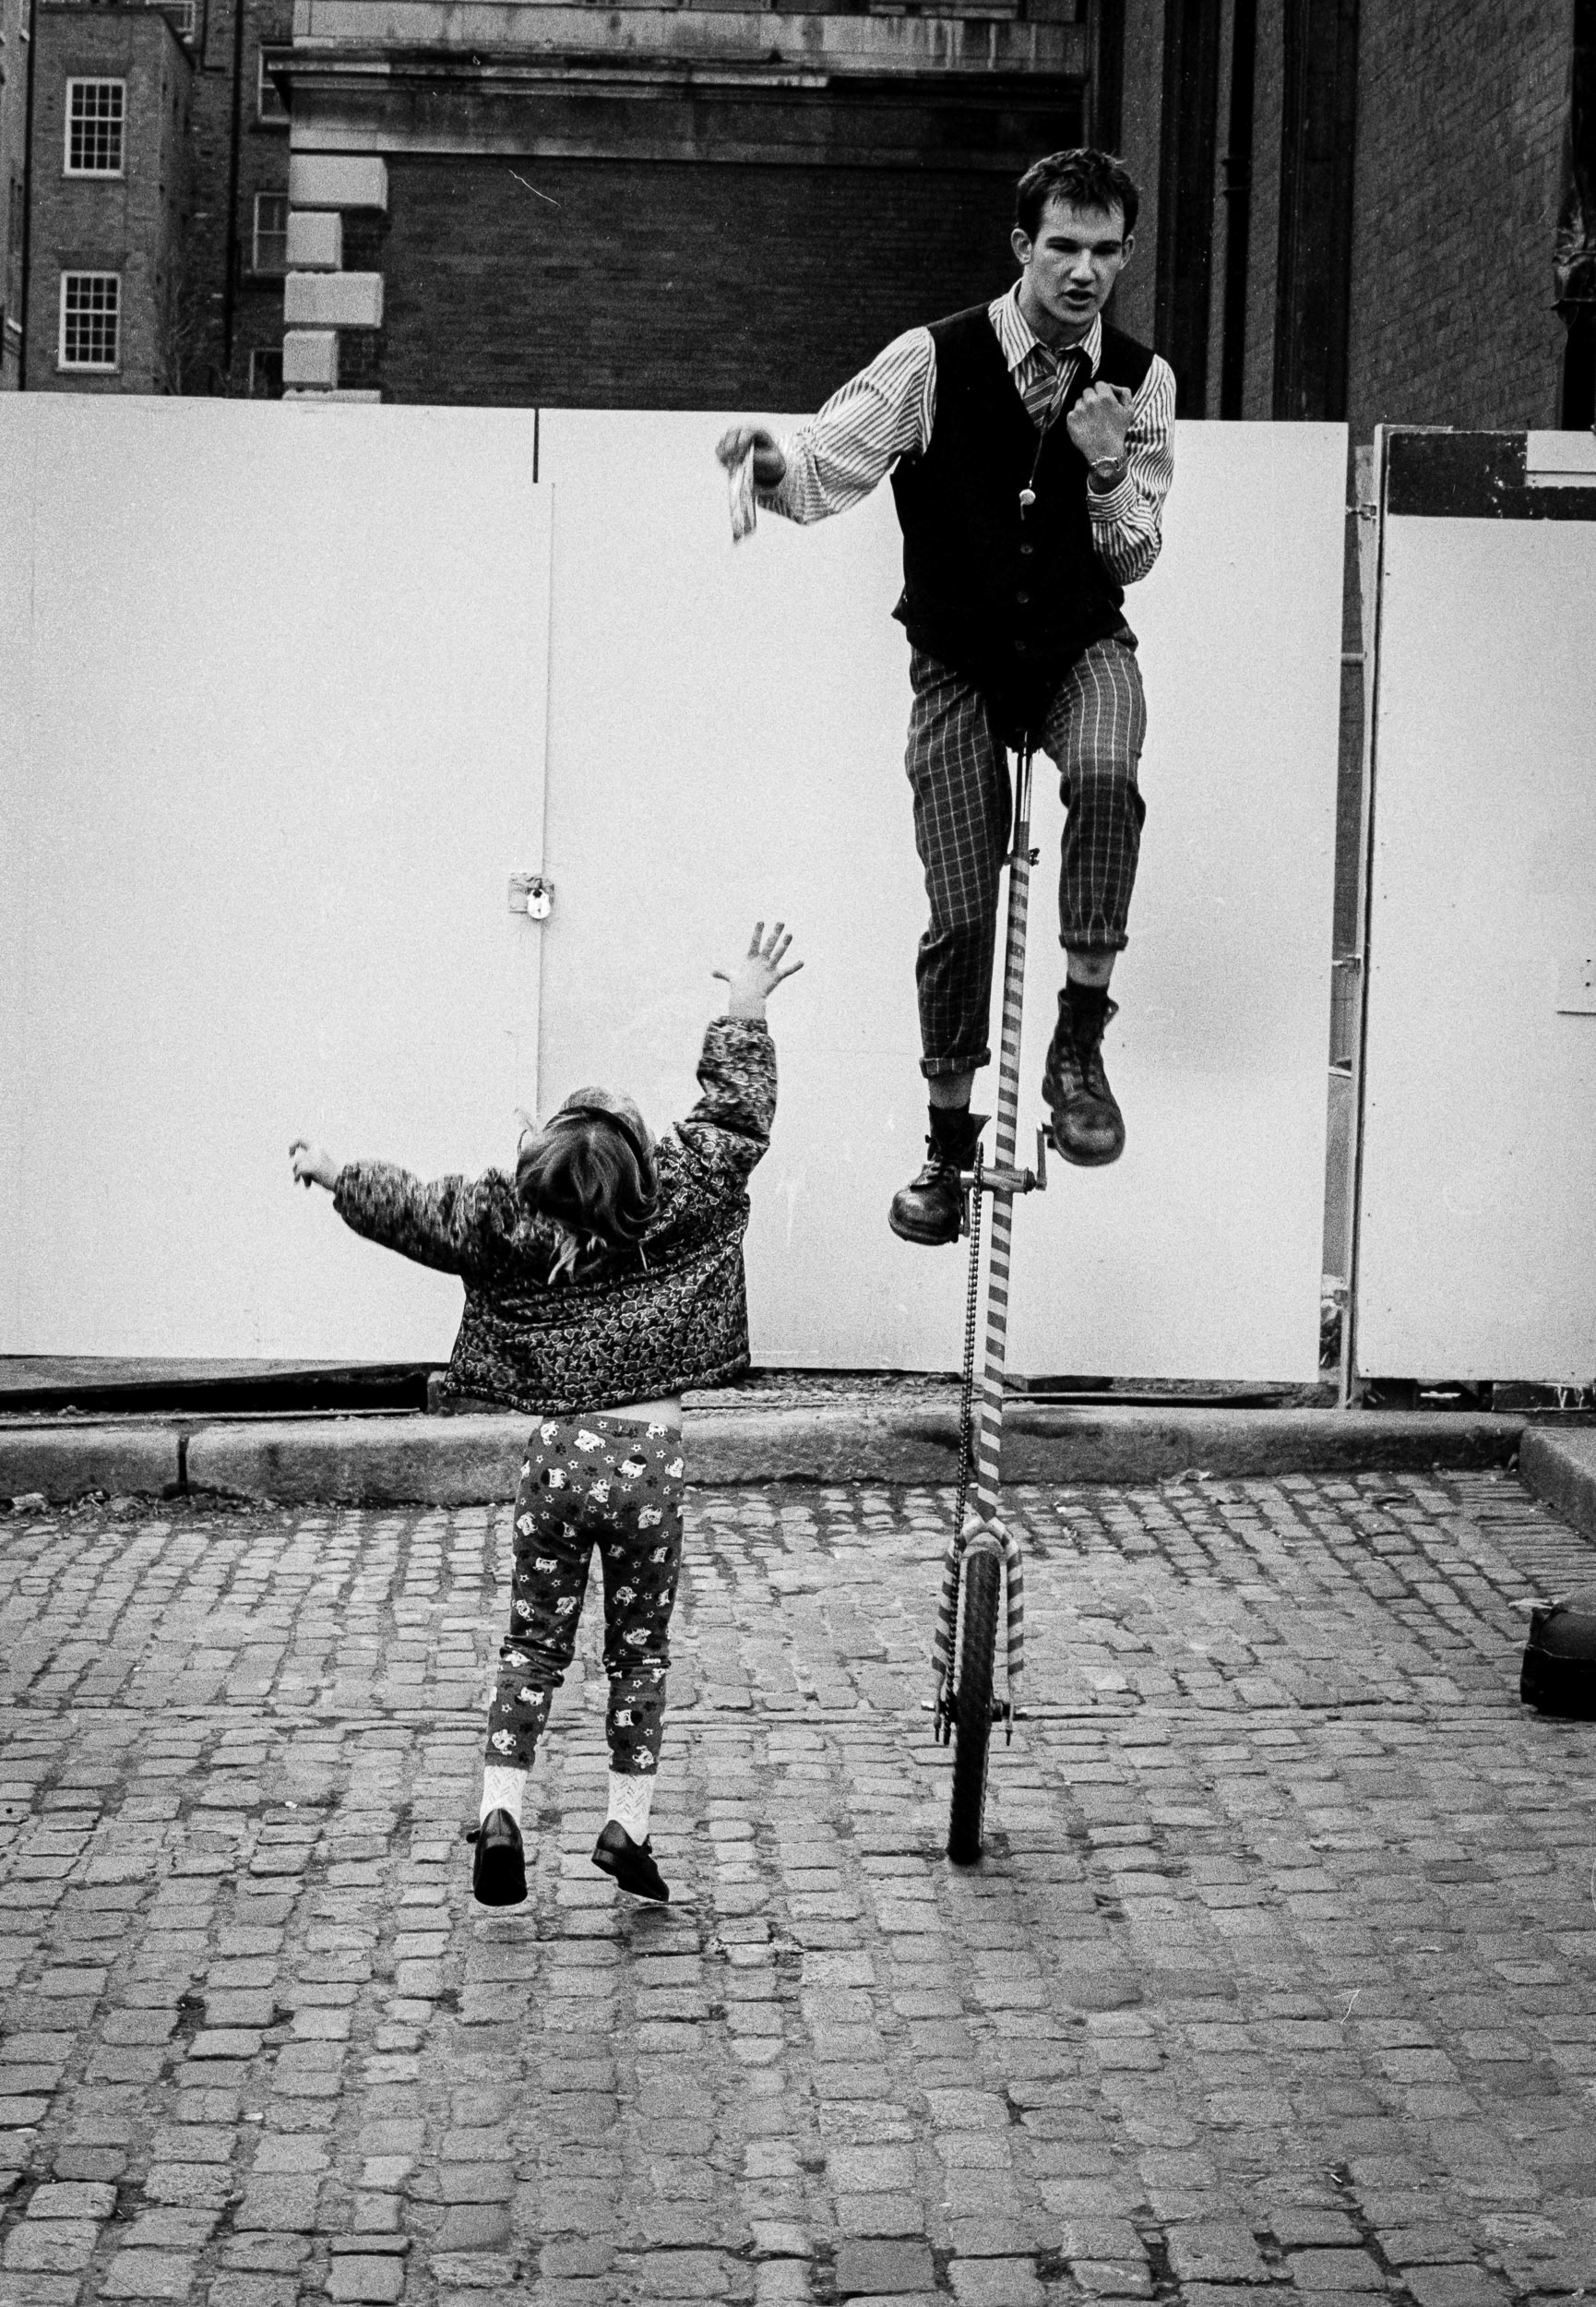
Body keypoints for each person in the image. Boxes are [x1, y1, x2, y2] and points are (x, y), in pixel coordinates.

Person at [290, 922, 801, 1908]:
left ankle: (501, 1811)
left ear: (544, 1165)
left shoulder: (505, 1219)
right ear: (640, 1162)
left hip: (558, 1458)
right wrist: (744, 1002)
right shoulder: (678, 1197)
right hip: (648, 1461)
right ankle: (626, 1827)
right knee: (637, 1651)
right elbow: (732, 1119)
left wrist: (331, 1171)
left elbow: (416, 1205)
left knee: (531, 1644)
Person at [717, 148, 1174, 1246]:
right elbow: (833, 456)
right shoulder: (933, 360)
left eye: (1104, 251)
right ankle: (943, 1146)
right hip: (960, 662)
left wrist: (1107, 467)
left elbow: (1131, 556)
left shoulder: (1140, 383)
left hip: (1076, 649)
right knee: (959, 907)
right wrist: (771, 462)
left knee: (1109, 775)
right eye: (1061, 246)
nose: (1082, 272)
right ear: (1022, 247)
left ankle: (1077, 1041)